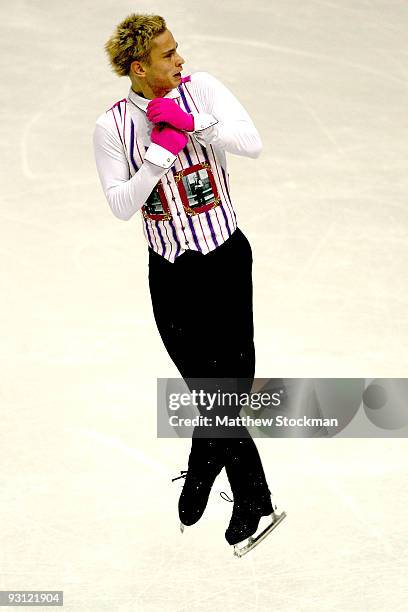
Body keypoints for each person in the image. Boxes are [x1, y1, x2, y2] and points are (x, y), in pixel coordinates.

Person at [93, 13, 285, 556]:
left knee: (233, 386)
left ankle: (203, 471)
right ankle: (254, 499)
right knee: (211, 392)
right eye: (168, 55)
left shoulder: (202, 89)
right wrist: (159, 154)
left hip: (225, 259)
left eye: (178, 50)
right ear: (139, 67)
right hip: (172, 275)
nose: (181, 60)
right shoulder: (111, 128)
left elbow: (252, 142)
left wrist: (193, 125)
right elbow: (120, 205)